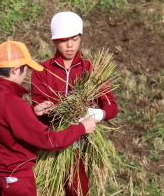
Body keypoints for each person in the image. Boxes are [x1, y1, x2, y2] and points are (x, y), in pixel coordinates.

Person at [0, 40, 99, 196]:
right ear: (15, 70)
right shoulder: (13, 103)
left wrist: (31, 112)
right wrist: (81, 128)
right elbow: (48, 140)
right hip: (15, 181)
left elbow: (0, 120)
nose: (26, 73)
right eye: (25, 69)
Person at [31, 11, 119, 196]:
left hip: (79, 143)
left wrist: (95, 114)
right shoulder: (41, 70)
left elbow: (111, 107)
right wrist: (59, 111)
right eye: (64, 40)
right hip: (50, 142)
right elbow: (39, 106)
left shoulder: (91, 70)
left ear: (81, 38)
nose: (70, 45)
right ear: (54, 41)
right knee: (48, 189)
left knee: (78, 189)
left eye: (75, 39)